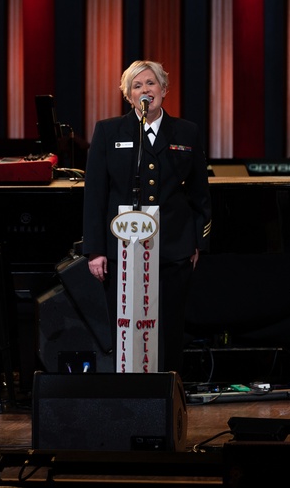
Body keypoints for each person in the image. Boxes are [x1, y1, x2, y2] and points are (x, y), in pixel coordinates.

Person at [82, 60, 211, 375]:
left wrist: (198, 242)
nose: (145, 91)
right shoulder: (108, 131)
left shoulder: (187, 131)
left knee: (169, 324)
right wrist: (95, 249)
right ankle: (130, 394)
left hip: (173, 247)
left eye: (150, 84)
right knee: (126, 324)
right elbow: (95, 194)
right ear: (128, 96)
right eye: (137, 86)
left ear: (164, 90)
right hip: (122, 248)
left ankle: (168, 393)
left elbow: (200, 193)